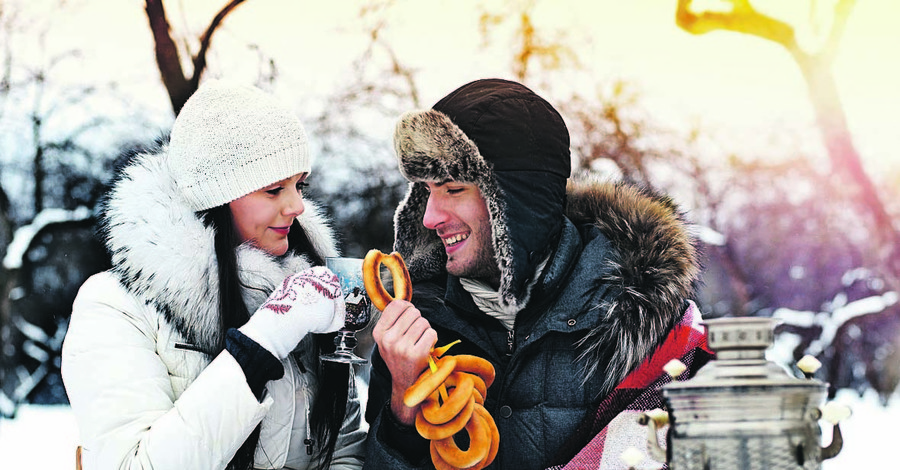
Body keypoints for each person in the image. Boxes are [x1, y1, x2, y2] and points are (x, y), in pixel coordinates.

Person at [363, 78, 712, 469]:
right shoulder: (413, 326)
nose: (430, 217)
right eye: (426, 191)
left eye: (453, 189)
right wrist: (402, 410)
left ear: (517, 201)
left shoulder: (637, 317)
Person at [62, 80, 366, 469]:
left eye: (299, 185)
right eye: (274, 189)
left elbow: (344, 449)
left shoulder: (307, 292)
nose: (297, 206)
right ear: (215, 197)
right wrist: (266, 339)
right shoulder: (113, 307)